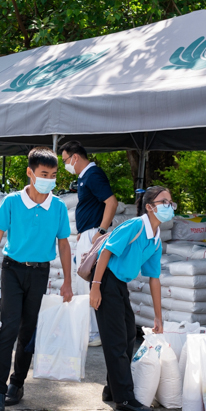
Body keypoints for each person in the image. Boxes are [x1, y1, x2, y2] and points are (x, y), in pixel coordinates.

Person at [0, 147, 73, 411]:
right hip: (12, 271)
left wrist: (67, 281)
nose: (49, 179)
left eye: (54, 175)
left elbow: (64, 245)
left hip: (40, 273)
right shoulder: (11, 202)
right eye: (44, 174)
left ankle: (16, 385)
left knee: (28, 331)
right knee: (8, 329)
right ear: (30, 173)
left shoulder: (58, 207)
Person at [88, 186, 169, 411]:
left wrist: (158, 316)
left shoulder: (155, 238)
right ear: (150, 207)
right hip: (105, 280)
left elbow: (154, 279)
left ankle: (112, 389)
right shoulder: (135, 226)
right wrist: (96, 287)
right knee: (115, 340)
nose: (169, 206)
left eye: (170, 201)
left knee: (127, 336)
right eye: (164, 201)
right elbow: (105, 252)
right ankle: (124, 399)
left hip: (119, 284)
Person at [61, 140, 118, 347]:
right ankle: (89, 329)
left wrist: (100, 231)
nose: (66, 165)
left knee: (88, 282)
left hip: (95, 234)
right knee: (83, 282)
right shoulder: (85, 177)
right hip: (88, 233)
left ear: (75, 157)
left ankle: (94, 332)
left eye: (66, 160)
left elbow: (111, 202)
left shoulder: (93, 175)